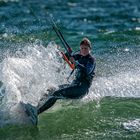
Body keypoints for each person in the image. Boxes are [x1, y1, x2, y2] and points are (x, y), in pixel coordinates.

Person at [37, 37, 96, 115]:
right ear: (80, 48)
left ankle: (37, 112)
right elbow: (66, 58)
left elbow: (87, 71)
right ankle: (36, 107)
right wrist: (68, 53)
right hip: (74, 85)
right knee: (50, 90)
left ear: (89, 49)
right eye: (82, 48)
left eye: (86, 48)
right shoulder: (78, 56)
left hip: (82, 89)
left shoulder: (91, 59)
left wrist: (76, 63)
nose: (84, 50)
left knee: (56, 94)